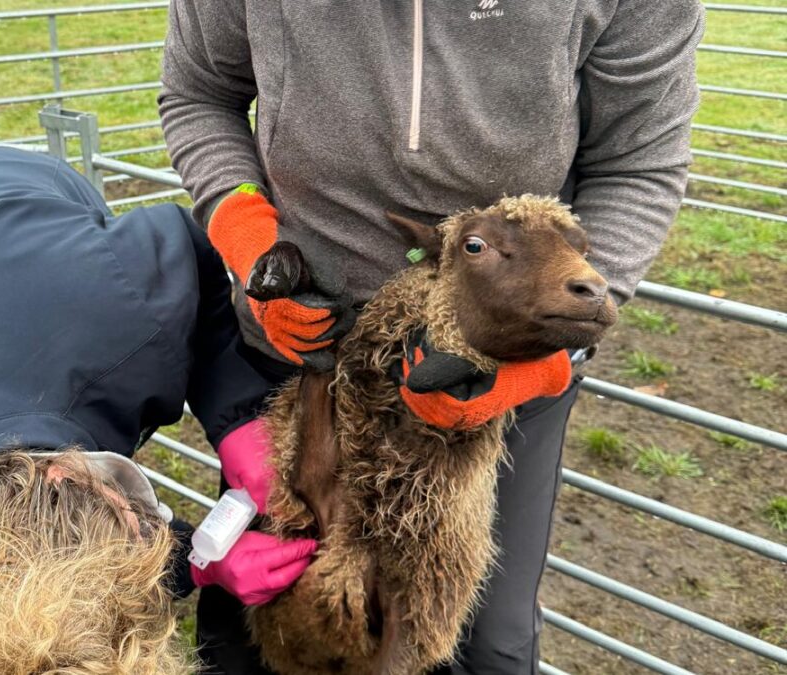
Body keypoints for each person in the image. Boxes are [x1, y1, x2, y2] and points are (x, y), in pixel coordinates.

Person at [159, 1, 704, 672]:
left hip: (499, 371)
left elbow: (640, 159)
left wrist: (543, 364)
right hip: (300, 357)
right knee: (263, 617)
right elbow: (200, 95)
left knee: (482, 643)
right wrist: (244, 225)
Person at [0, 147, 318, 673]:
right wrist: (204, 565)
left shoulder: (127, 314)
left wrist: (236, 417)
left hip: (3, 186)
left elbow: (188, 245)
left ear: (73, 474)